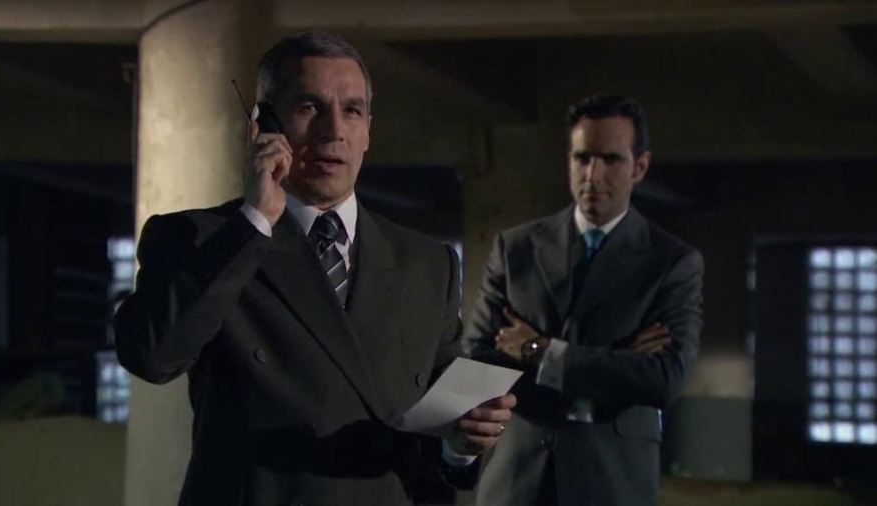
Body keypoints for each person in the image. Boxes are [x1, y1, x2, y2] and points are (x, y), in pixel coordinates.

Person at [115, 31, 514, 506]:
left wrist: (461, 446)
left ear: (368, 131)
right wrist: (255, 219)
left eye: (352, 110)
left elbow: (437, 426)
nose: (333, 131)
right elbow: (153, 357)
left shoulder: (427, 262)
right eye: (309, 107)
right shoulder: (202, 239)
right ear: (263, 125)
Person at [464, 94, 703, 506]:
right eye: (582, 158)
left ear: (639, 167)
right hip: (517, 477)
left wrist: (539, 351)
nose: (593, 174)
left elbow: (665, 378)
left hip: (612, 480)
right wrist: (617, 363)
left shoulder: (671, 263)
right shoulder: (516, 248)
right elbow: (479, 356)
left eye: (610, 159)